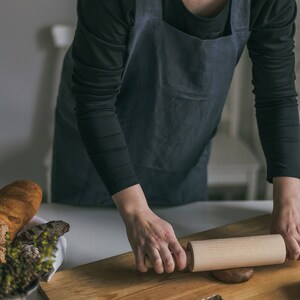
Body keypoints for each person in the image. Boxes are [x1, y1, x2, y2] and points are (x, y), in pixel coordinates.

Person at [51, 0, 300, 274]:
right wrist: (136, 212)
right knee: (85, 267)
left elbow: (277, 98)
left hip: (179, 150)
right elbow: (95, 103)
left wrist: (288, 202)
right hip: (95, 160)